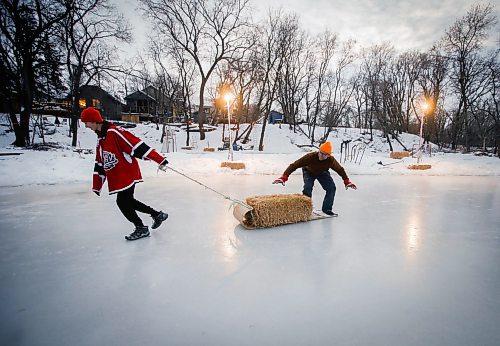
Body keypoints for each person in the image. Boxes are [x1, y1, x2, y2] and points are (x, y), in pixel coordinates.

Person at [81, 107, 169, 241]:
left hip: (127, 173)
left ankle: (141, 227)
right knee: (128, 201)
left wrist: (159, 159)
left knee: (122, 202)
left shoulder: (113, 132)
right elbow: (100, 162)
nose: (86, 126)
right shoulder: (101, 139)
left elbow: (136, 145)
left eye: (86, 122)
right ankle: (157, 215)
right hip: (118, 176)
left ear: (94, 121)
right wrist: (97, 183)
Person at [273, 141, 357, 216]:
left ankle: (327, 209)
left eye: (325, 154)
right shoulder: (310, 156)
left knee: (331, 188)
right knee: (308, 187)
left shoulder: (331, 160)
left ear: (328, 155)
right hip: (308, 171)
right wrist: (284, 177)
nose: (322, 155)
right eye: (321, 152)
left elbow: (340, 169)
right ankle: (305, 209)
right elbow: (294, 165)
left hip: (322, 172)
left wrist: (346, 181)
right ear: (319, 151)